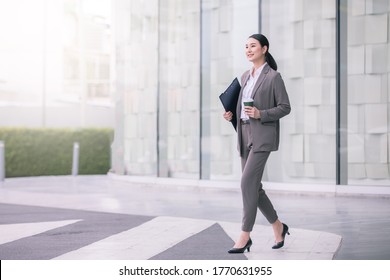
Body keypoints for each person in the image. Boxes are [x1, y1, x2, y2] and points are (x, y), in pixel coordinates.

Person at [223, 34, 291, 253]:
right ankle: (278, 226)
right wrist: (231, 113)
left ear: (264, 48)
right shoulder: (245, 76)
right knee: (254, 187)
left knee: (246, 184)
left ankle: (245, 235)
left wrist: (261, 113)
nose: (248, 50)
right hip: (244, 133)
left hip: (263, 135)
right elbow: (242, 106)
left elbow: (285, 107)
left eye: (252, 46)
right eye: (246, 46)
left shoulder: (273, 77)